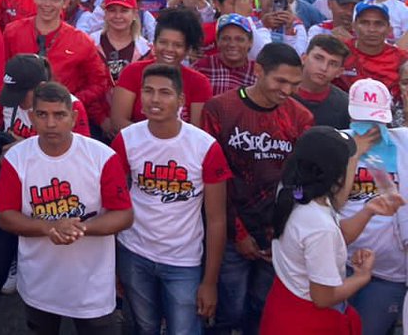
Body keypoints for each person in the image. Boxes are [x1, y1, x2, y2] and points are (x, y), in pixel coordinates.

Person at [0, 81, 133, 334]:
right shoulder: (16, 159)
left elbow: (124, 215)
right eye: (42, 115)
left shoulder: (102, 156)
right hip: (39, 283)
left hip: (92, 286)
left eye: (59, 115)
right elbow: (4, 216)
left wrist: (78, 229)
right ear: (31, 117)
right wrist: (49, 228)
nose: (51, 123)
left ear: (74, 118)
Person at [202, 43, 314, 335]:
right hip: (230, 231)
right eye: (281, 81)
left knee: (263, 310)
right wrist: (238, 233)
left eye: (294, 84)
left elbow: (299, 183)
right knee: (229, 310)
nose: (287, 90)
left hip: (277, 233)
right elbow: (215, 179)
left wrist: (280, 233)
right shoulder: (220, 108)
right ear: (259, 70)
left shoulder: (301, 117)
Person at [113, 64, 230, 335]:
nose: (154, 99)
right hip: (133, 252)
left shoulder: (205, 147)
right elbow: (113, 205)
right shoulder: (126, 140)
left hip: (183, 260)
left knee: (184, 330)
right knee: (144, 327)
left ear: (181, 100)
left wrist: (210, 282)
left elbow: (216, 219)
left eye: (164, 93)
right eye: (148, 91)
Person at [259, 126, 402, 334]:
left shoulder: (296, 192)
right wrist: (362, 277)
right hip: (306, 323)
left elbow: (337, 235)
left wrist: (368, 211)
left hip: (284, 306)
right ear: (335, 174)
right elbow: (323, 298)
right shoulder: (318, 225)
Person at [2, 0, 114, 135]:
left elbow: (99, 82)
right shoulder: (13, 32)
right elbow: (3, 75)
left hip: (61, 121)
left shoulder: (81, 41)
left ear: (65, 2)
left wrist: (69, 100)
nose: (47, 4)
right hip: (20, 117)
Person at [341, 79, 408, 335]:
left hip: (389, 270)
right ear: (351, 114)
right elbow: (333, 201)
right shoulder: (335, 143)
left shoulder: (403, 143)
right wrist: (354, 154)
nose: (370, 126)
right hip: (341, 262)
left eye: (377, 119)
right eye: (363, 119)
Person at [112, 7, 213, 130]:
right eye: (163, 42)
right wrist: (152, 138)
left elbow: (197, 132)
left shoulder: (199, 83)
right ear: (154, 43)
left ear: (187, 49)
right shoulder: (132, 72)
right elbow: (118, 121)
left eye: (177, 45)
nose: (169, 49)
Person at [335, 0, 408, 96]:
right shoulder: (339, 52)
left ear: (389, 29)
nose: (371, 29)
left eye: (378, 24)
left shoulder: (402, 59)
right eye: (364, 23)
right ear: (354, 26)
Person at [293, 34, 351, 128]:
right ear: (303, 58)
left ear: (339, 72)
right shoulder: (280, 94)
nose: (324, 68)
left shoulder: (346, 106)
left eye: (333, 64)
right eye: (318, 58)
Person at [194, 13, 259, 96]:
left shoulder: (257, 73)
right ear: (218, 41)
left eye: (239, 39)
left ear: (250, 42)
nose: (232, 44)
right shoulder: (201, 68)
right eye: (226, 39)